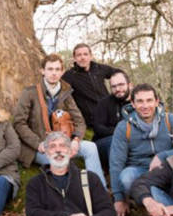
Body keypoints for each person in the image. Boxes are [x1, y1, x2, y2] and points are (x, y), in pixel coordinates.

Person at [13, 53, 106, 187]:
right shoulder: (30, 93)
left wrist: (76, 140)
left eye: (57, 69)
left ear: (62, 72)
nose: (54, 73)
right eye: (50, 69)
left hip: (63, 141)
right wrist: (37, 143)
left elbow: (79, 121)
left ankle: (100, 191)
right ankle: (76, 197)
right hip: (40, 146)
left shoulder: (66, 92)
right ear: (42, 71)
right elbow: (18, 123)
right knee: (62, 163)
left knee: (90, 147)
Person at [109, 83, 173, 216]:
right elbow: (116, 162)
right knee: (126, 177)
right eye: (140, 101)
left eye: (149, 100)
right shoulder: (124, 127)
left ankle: (169, 203)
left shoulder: (170, 120)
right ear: (133, 104)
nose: (145, 106)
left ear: (157, 101)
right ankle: (145, 207)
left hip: (166, 168)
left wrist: (162, 156)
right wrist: (118, 198)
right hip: (139, 170)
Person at [62, 43, 116, 130]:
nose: (82, 57)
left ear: (90, 56)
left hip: (110, 116)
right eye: (79, 55)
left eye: (85, 54)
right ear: (74, 58)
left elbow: (119, 74)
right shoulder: (70, 75)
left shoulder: (99, 68)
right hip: (90, 123)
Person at [93, 69, 132, 170]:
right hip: (106, 143)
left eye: (121, 85)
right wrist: (121, 132)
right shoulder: (104, 103)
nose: (118, 89)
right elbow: (98, 128)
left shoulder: (138, 103)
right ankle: (117, 179)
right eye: (114, 87)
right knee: (115, 142)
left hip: (133, 141)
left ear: (129, 85)